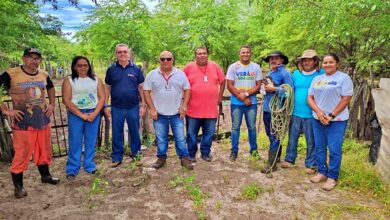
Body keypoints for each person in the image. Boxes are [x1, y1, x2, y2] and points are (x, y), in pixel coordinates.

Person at [0, 48, 60, 198]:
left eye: (37, 58)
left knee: (44, 150)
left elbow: (51, 88)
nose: (34, 61)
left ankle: (45, 176)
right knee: (22, 153)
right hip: (23, 123)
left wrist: (52, 104)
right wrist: (6, 110)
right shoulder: (11, 74)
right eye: (31, 57)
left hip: (42, 121)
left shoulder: (43, 74)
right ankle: (18, 188)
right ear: (24, 58)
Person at [307, 53, 353, 191]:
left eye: (331, 62)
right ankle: (322, 172)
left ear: (337, 63)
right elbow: (310, 98)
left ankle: (332, 177)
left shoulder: (343, 78)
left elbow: (346, 99)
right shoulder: (317, 79)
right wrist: (319, 113)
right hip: (318, 119)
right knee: (320, 147)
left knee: (334, 149)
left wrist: (331, 115)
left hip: (337, 120)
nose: (327, 65)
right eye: (325, 62)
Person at [143, 51, 193, 170]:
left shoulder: (180, 74)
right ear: (159, 60)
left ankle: (184, 158)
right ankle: (161, 158)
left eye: (168, 59)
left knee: (180, 137)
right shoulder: (152, 74)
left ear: (173, 59)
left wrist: (184, 106)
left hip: (177, 113)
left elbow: (187, 90)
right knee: (161, 138)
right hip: (159, 114)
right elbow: (146, 91)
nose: (166, 61)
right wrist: (152, 109)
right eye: (163, 59)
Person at [281, 49, 324, 175]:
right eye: (304, 60)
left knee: (311, 140)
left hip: (312, 113)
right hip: (295, 112)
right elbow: (289, 90)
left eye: (310, 60)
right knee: (292, 138)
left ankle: (311, 164)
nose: (307, 62)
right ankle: (289, 159)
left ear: (315, 61)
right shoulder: (296, 74)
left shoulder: (321, 75)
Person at [62, 56, 105, 180]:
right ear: (74, 67)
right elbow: (66, 100)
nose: (82, 68)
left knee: (90, 141)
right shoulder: (69, 80)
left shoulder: (96, 79)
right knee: (75, 141)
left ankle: (89, 165)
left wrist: (94, 113)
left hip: (93, 113)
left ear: (89, 66)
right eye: (79, 65)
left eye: (85, 65)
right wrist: (81, 115)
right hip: (76, 114)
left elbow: (102, 97)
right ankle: (72, 168)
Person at [104, 43, 145, 168]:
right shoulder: (111, 70)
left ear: (129, 53)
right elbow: (107, 88)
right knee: (117, 132)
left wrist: (143, 105)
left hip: (133, 106)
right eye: (119, 52)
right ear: (116, 54)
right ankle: (117, 157)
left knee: (134, 131)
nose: (122, 54)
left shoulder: (136, 69)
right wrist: (106, 105)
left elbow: (141, 88)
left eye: (124, 52)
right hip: (116, 107)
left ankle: (136, 154)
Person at [183, 46, 226, 162]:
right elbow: (181, 83)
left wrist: (220, 96)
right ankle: (191, 154)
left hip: (211, 109)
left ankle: (205, 153)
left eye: (204, 53)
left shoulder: (215, 66)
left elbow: (223, 81)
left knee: (209, 133)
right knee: (191, 134)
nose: (202, 55)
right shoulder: (188, 67)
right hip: (193, 109)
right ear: (195, 55)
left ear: (207, 54)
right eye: (199, 54)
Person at [226, 45, 262, 161]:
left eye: (247, 52)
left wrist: (246, 95)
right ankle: (234, 151)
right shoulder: (233, 67)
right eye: (243, 52)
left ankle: (254, 151)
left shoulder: (256, 67)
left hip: (251, 103)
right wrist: (241, 97)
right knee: (235, 127)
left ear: (251, 54)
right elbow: (230, 85)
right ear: (239, 53)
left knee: (252, 127)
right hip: (236, 103)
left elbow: (258, 85)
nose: (245, 54)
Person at [261, 50, 294, 174]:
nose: (273, 60)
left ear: (281, 60)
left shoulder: (285, 74)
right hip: (266, 109)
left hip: (277, 111)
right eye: (271, 58)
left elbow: (289, 92)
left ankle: (271, 164)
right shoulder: (270, 73)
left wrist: (274, 88)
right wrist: (264, 89)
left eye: (276, 58)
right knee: (271, 135)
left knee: (274, 135)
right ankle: (277, 156)